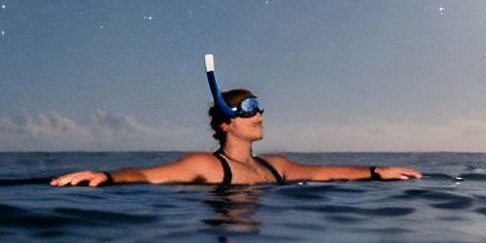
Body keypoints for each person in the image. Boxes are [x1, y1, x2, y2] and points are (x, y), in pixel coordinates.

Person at [49, 60, 423, 186]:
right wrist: (107, 176)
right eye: (249, 108)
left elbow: (326, 172)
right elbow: (149, 176)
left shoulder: (275, 166)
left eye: (260, 106)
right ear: (226, 123)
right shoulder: (208, 166)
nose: (259, 114)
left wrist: (377, 171)